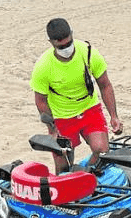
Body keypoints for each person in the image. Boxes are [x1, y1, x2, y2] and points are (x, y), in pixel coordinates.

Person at [30, 17, 123, 174]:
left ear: (72, 34)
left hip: (89, 108)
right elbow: (40, 101)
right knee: (63, 165)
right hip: (62, 117)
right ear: (50, 42)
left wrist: (114, 116)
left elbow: (105, 85)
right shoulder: (43, 66)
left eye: (68, 43)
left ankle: (90, 174)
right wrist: (52, 129)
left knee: (102, 151)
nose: (66, 48)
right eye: (61, 46)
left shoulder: (88, 52)